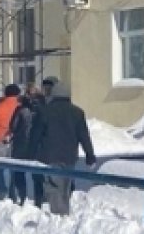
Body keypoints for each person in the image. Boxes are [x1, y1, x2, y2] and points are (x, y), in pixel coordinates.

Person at [28, 79, 96, 215]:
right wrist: (90, 155)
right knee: (65, 185)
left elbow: (35, 135)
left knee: (53, 186)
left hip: (49, 156)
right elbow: (84, 135)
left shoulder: (45, 111)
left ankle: (59, 215)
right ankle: (63, 213)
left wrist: (30, 153)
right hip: (70, 156)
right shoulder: (77, 112)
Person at [8, 85, 38, 205]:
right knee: (37, 174)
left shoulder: (20, 110)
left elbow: (13, 126)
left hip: (20, 144)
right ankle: (38, 199)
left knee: (19, 173)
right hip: (35, 146)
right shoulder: (41, 109)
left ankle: (22, 197)